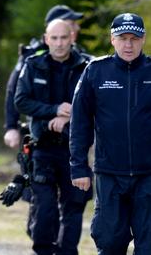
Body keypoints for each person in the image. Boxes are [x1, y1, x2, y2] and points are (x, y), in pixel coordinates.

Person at [70, 12, 151, 255]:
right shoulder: (95, 71)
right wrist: (78, 167)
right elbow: (79, 124)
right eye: (122, 38)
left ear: (143, 39)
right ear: (112, 39)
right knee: (109, 244)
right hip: (109, 174)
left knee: (148, 247)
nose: (128, 44)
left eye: (134, 38)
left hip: (149, 175)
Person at [14, 19, 92, 255]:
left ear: (72, 38)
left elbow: (97, 105)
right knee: (45, 206)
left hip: (75, 149)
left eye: (64, 38)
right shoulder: (33, 64)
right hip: (43, 148)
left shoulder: (88, 66)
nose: (59, 43)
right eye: (54, 38)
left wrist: (69, 118)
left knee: (74, 206)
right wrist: (54, 110)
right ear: (46, 39)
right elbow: (21, 101)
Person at [3, 5, 84, 149]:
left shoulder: (79, 56)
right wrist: (11, 127)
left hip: (71, 134)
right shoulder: (33, 57)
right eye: (72, 23)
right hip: (39, 131)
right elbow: (14, 90)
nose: (76, 27)